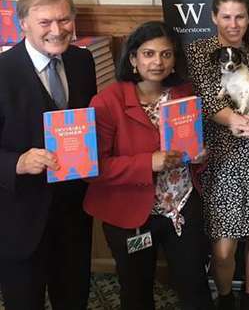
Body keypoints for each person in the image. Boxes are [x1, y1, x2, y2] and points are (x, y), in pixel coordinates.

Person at [83, 21, 213, 310]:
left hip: (182, 208)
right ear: (133, 58)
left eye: (166, 54)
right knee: (136, 290)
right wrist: (147, 163)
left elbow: (192, 150)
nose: (158, 62)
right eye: (149, 54)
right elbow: (93, 169)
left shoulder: (185, 94)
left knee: (195, 285)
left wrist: (201, 156)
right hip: (130, 214)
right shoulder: (107, 102)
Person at [186, 0, 249, 310]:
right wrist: (240, 122)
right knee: (223, 247)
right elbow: (208, 101)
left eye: (239, 16)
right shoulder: (199, 52)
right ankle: (226, 297)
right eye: (226, 16)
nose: (233, 23)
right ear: (214, 16)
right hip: (222, 160)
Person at [0, 0, 97, 310]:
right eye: (46, 23)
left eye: (64, 19)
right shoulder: (3, 71)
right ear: (22, 23)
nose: (57, 30)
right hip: (20, 217)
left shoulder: (83, 62)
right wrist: (16, 162)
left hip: (72, 211)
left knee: (73, 298)